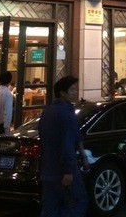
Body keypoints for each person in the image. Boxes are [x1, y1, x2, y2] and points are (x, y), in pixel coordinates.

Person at [39, 75, 89, 217]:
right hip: (63, 171)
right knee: (76, 204)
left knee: (50, 208)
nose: (75, 92)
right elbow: (68, 142)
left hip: (48, 171)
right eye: (72, 89)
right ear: (62, 92)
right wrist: (68, 170)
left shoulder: (47, 111)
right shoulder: (66, 114)